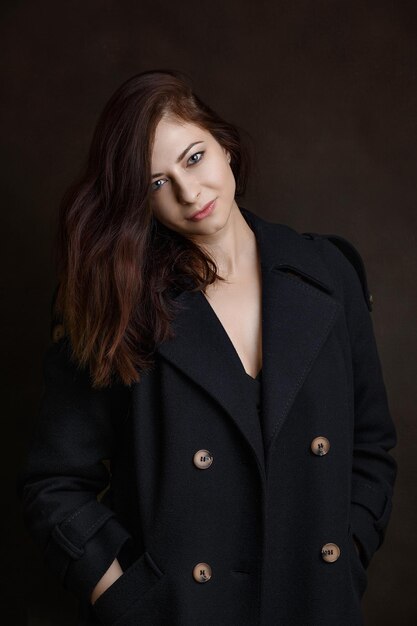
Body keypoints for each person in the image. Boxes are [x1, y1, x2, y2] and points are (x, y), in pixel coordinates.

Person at [17, 69, 397, 626]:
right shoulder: (118, 301)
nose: (188, 193)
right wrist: (128, 598)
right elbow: (54, 484)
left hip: (316, 606)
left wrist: (348, 559)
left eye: (193, 157)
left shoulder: (328, 274)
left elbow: (371, 447)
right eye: (155, 183)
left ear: (223, 143)